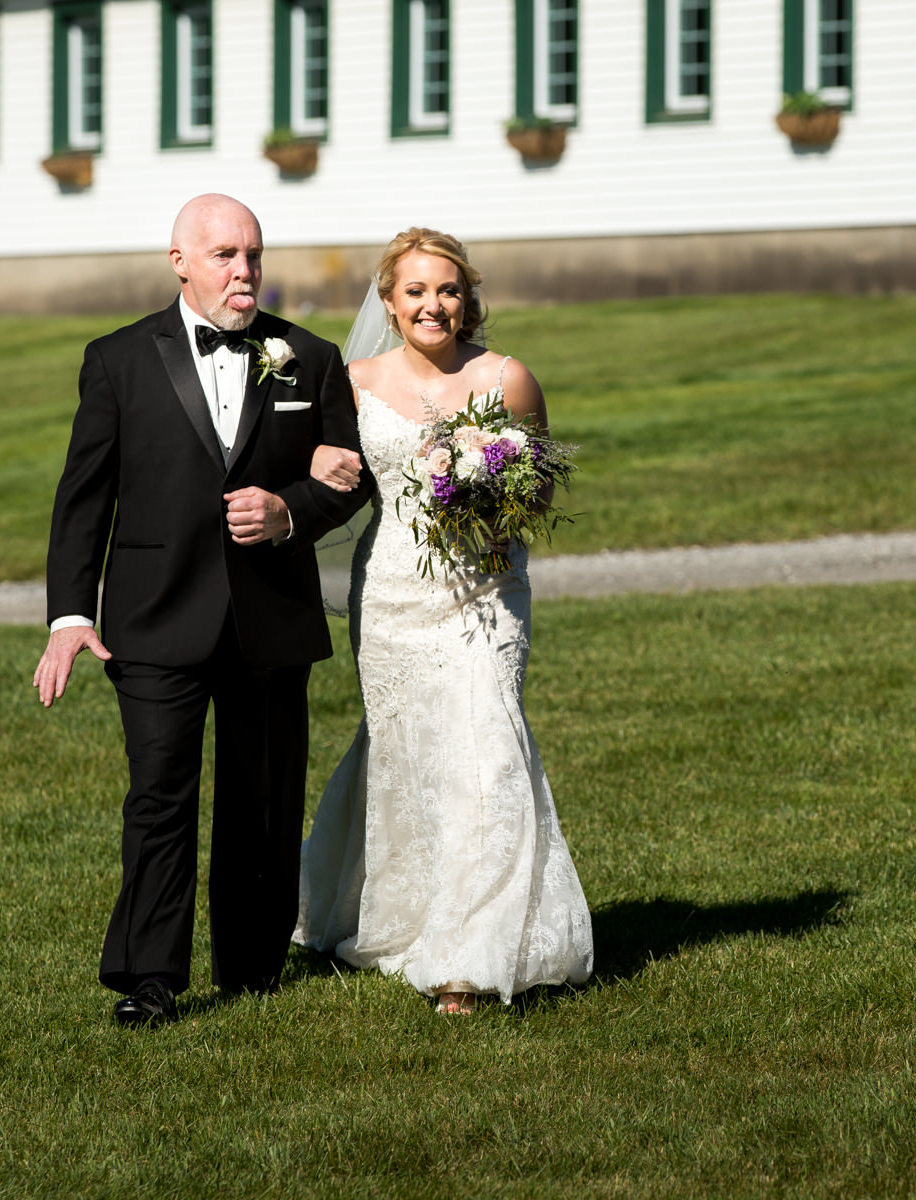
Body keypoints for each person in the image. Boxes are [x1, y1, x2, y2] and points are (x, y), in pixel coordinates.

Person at [33, 194, 373, 1027]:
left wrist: (290, 509)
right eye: (224, 255)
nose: (244, 270)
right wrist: (71, 616)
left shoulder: (309, 358)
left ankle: (253, 969)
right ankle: (150, 978)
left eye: (253, 254)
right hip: (153, 615)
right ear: (179, 260)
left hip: (270, 616)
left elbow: (346, 479)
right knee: (158, 795)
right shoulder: (116, 360)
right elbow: (85, 500)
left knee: (262, 800)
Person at [292, 228, 593, 1015]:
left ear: (469, 299)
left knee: (485, 748)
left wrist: (503, 513)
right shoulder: (352, 382)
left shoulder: (507, 378)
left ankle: (466, 958)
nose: (435, 304)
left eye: (449, 290)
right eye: (417, 291)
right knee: (405, 750)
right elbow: (324, 476)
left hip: (487, 591)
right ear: (388, 304)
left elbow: (541, 485)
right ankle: (390, 915)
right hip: (392, 591)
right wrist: (318, 469)